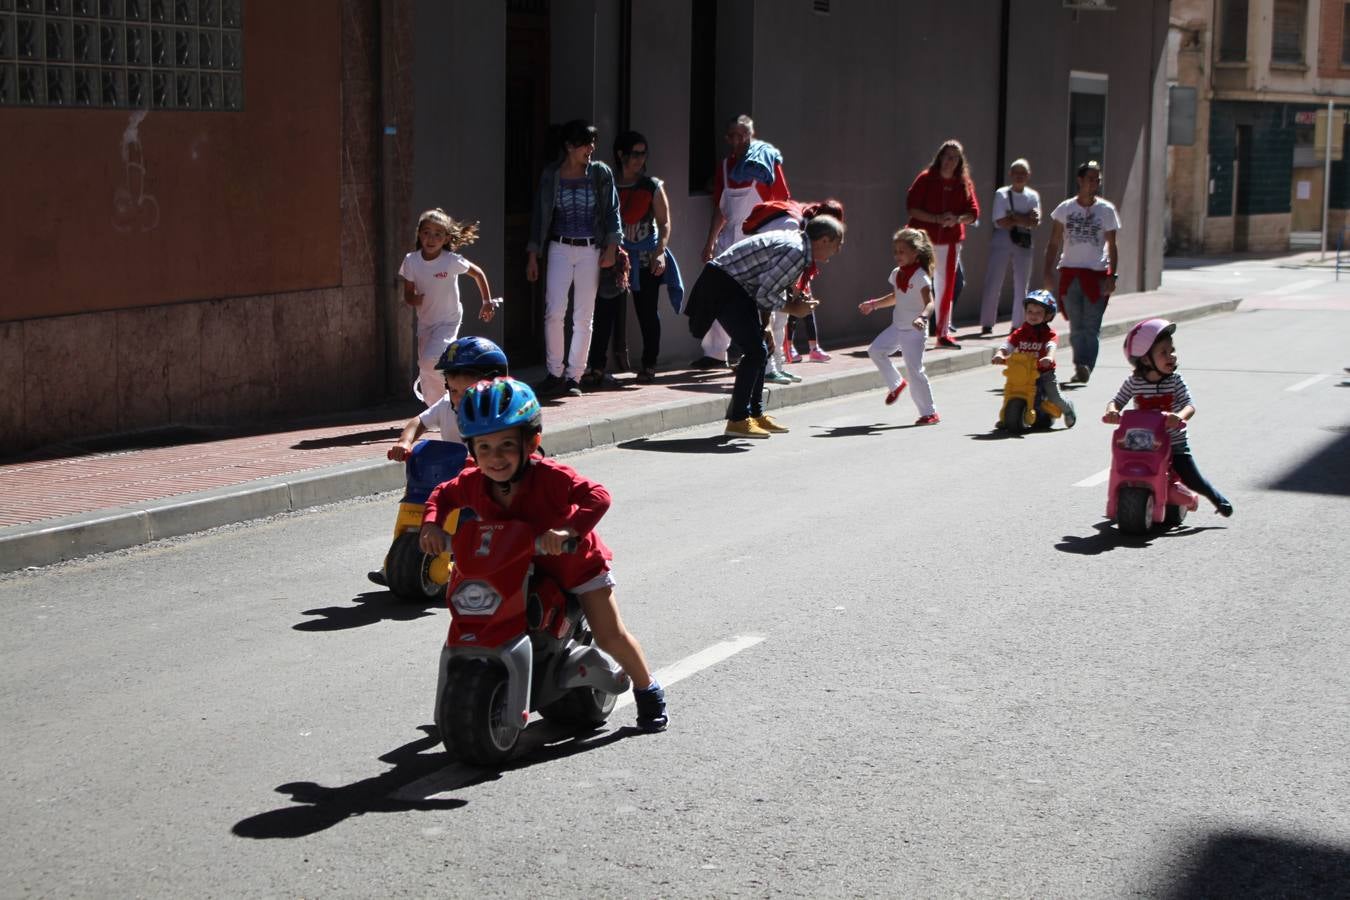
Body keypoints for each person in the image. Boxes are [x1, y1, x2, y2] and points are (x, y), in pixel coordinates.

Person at [417, 377, 669, 731]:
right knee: (478, 616)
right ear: (471, 449)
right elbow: (442, 495)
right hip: (509, 567)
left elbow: (598, 496)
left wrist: (569, 531)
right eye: (484, 447)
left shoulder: (550, 476)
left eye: (506, 444)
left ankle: (648, 689)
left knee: (609, 633)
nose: (495, 457)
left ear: (531, 441)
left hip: (573, 565)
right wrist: (432, 525)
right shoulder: (473, 482)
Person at [367, 336, 510, 588]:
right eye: (452, 390)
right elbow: (418, 422)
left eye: (465, 392)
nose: (456, 398)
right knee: (427, 510)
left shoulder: (500, 415)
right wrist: (405, 442)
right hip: (452, 478)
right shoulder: (446, 406)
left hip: (486, 484)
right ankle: (397, 560)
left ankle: (479, 565)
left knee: (478, 523)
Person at [684, 216, 846, 438]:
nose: (837, 252)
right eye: (838, 244)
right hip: (724, 286)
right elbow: (765, 293)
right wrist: (794, 309)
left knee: (762, 347)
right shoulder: (796, 251)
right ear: (825, 240)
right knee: (756, 351)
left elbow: (768, 285)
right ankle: (738, 420)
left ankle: (755, 414)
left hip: (737, 288)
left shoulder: (797, 245)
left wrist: (766, 324)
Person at [526, 119, 622, 399]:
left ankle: (574, 375)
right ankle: (554, 372)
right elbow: (539, 216)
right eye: (585, 143)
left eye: (592, 142)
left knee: (584, 315)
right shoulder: (551, 175)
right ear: (569, 146)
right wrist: (533, 254)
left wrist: (612, 247)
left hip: (591, 248)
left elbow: (613, 210)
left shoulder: (600, 173)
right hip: (559, 246)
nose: (591, 148)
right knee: (554, 311)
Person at [1103, 319, 1233, 517]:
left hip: (1174, 442)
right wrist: (1112, 411)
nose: (1171, 356)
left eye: (1172, 350)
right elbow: (1116, 401)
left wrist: (1179, 416)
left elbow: (1190, 405)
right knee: (1121, 463)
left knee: (1192, 478)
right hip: (1143, 442)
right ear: (1146, 359)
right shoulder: (1134, 382)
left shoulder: (1175, 381)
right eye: (1163, 352)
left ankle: (1216, 498)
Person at [692, 114, 792, 369]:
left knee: (758, 299)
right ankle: (714, 352)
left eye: (742, 135)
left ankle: (760, 355)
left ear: (751, 135)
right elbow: (720, 209)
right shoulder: (725, 167)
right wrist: (710, 242)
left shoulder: (766, 164)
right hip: (729, 238)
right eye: (732, 136)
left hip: (757, 236)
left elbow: (782, 202)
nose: (737, 140)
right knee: (718, 291)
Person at [585, 130, 678, 386]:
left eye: (643, 153)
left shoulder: (652, 187)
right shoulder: (609, 185)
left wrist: (660, 252)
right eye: (634, 154)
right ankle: (596, 366)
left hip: (645, 257)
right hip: (614, 257)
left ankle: (649, 364)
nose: (640, 159)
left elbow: (664, 222)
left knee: (647, 312)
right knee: (604, 311)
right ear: (620, 154)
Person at [399, 209, 501, 406]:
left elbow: (478, 274)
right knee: (426, 370)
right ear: (419, 234)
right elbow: (408, 293)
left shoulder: (451, 261)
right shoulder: (411, 261)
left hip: (448, 320)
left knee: (430, 361)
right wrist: (414, 299)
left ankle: (457, 393)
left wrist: (487, 302)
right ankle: (437, 409)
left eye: (438, 234)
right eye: (427, 232)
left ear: (446, 238)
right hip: (426, 323)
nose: (431, 238)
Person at [742, 198, 844, 379]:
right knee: (770, 321)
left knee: (781, 319)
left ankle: (776, 367)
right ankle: (766, 369)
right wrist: (790, 298)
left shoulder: (804, 227)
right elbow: (774, 267)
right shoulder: (792, 226)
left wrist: (795, 293)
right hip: (760, 276)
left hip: (772, 276)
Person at [1043, 160, 1120, 384]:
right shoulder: (1065, 209)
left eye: (1097, 180)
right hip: (1070, 274)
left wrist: (1112, 275)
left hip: (1096, 275)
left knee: (1091, 325)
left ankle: (1086, 364)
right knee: (1076, 325)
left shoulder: (1106, 210)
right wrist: (1047, 271)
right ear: (1080, 180)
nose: (1094, 183)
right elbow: (1054, 243)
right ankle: (1080, 365)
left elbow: (1113, 245)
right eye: (1090, 179)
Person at [858, 227, 941, 425]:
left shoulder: (921, 276)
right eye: (895, 251)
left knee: (915, 370)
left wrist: (922, 317)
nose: (897, 255)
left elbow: (930, 302)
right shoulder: (897, 273)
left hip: (914, 331)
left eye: (902, 251)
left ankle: (930, 412)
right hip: (898, 327)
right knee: (876, 350)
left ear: (915, 253)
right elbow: (896, 297)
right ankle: (896, 384)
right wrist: (874, 304)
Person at [906, 139, 980, 349]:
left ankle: (942, 334)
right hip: (922, 241)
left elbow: (973, 213)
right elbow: (912, 208)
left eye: (956, 158)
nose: (951, 161)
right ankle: (910, 333)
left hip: (950, 242)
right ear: (940, 157)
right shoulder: (926, 179)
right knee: (916, 285)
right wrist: (937, 219)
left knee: (945, 287)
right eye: (948, 156)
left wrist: (957, 219)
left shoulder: (964, 183)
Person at [990, 290, 1076, 428]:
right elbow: (1009, 344)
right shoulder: (1020, 332)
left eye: (1038, 313)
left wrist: (1049, 356)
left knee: (1054, 396)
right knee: (1010, 390)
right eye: (1030, 311)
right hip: (1022, 371)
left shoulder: (1049, 334)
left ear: (1048, 315)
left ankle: (1068, 409)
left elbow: (1051, 346)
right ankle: (1007, 417)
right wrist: (1000, 354)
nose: (1033, 315)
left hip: (1044, 373)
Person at [979, 158, 1042, 336]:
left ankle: (1018, 324)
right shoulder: (1002, 194)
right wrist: (1024, 219)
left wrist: (1014, 217)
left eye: (1023, 173)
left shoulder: (1033, 196)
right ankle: (987, 322)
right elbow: (1000, 221)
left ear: (1028, 175)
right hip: (1002, 238)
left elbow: (1035, 221)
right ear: (1010, 174)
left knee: (1022, 283)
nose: (1019, 176)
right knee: (994, 280)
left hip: (1023, 240)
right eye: (1016, 173)